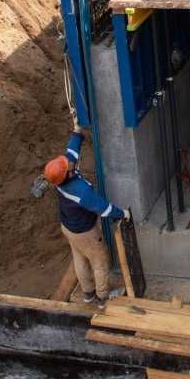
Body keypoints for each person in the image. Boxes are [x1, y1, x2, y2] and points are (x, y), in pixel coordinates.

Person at [44, 129, 126, 309]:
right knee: (100, 262)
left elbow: (71, 153)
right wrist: (122, 214)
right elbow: (103, 208)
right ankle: (103, 297)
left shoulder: (60, 179)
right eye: (67, 165)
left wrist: (76, 134)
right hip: (85, 233)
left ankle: (88, 293)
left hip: (68, 228)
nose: (69, 162)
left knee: (80, 258)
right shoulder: (80, 191)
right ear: (68, 173)